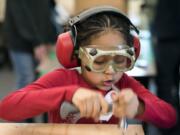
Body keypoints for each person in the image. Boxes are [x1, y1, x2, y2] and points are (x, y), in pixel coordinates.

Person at [0, 6, 176, 128]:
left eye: (120, 60)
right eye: (99, 61)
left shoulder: (125, 84)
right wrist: (68, 93)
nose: (111, 71)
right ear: (77, 54)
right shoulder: (61, 80)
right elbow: (6, 108)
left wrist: (139, 107)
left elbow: (169, 118)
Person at [3, 0, 57, 122]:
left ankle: (30, 117)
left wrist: (50, 38)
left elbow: (47, 11)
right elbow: (21, 16)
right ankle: (21, 120)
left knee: (42, 81)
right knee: (26, 78)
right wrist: (37, 42)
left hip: (40, 40)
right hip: (20, 41)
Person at [151, 0, 180, 134]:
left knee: (165, 84)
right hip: (170, 34)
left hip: (166, 36)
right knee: (172, 82)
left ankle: (168, 126)